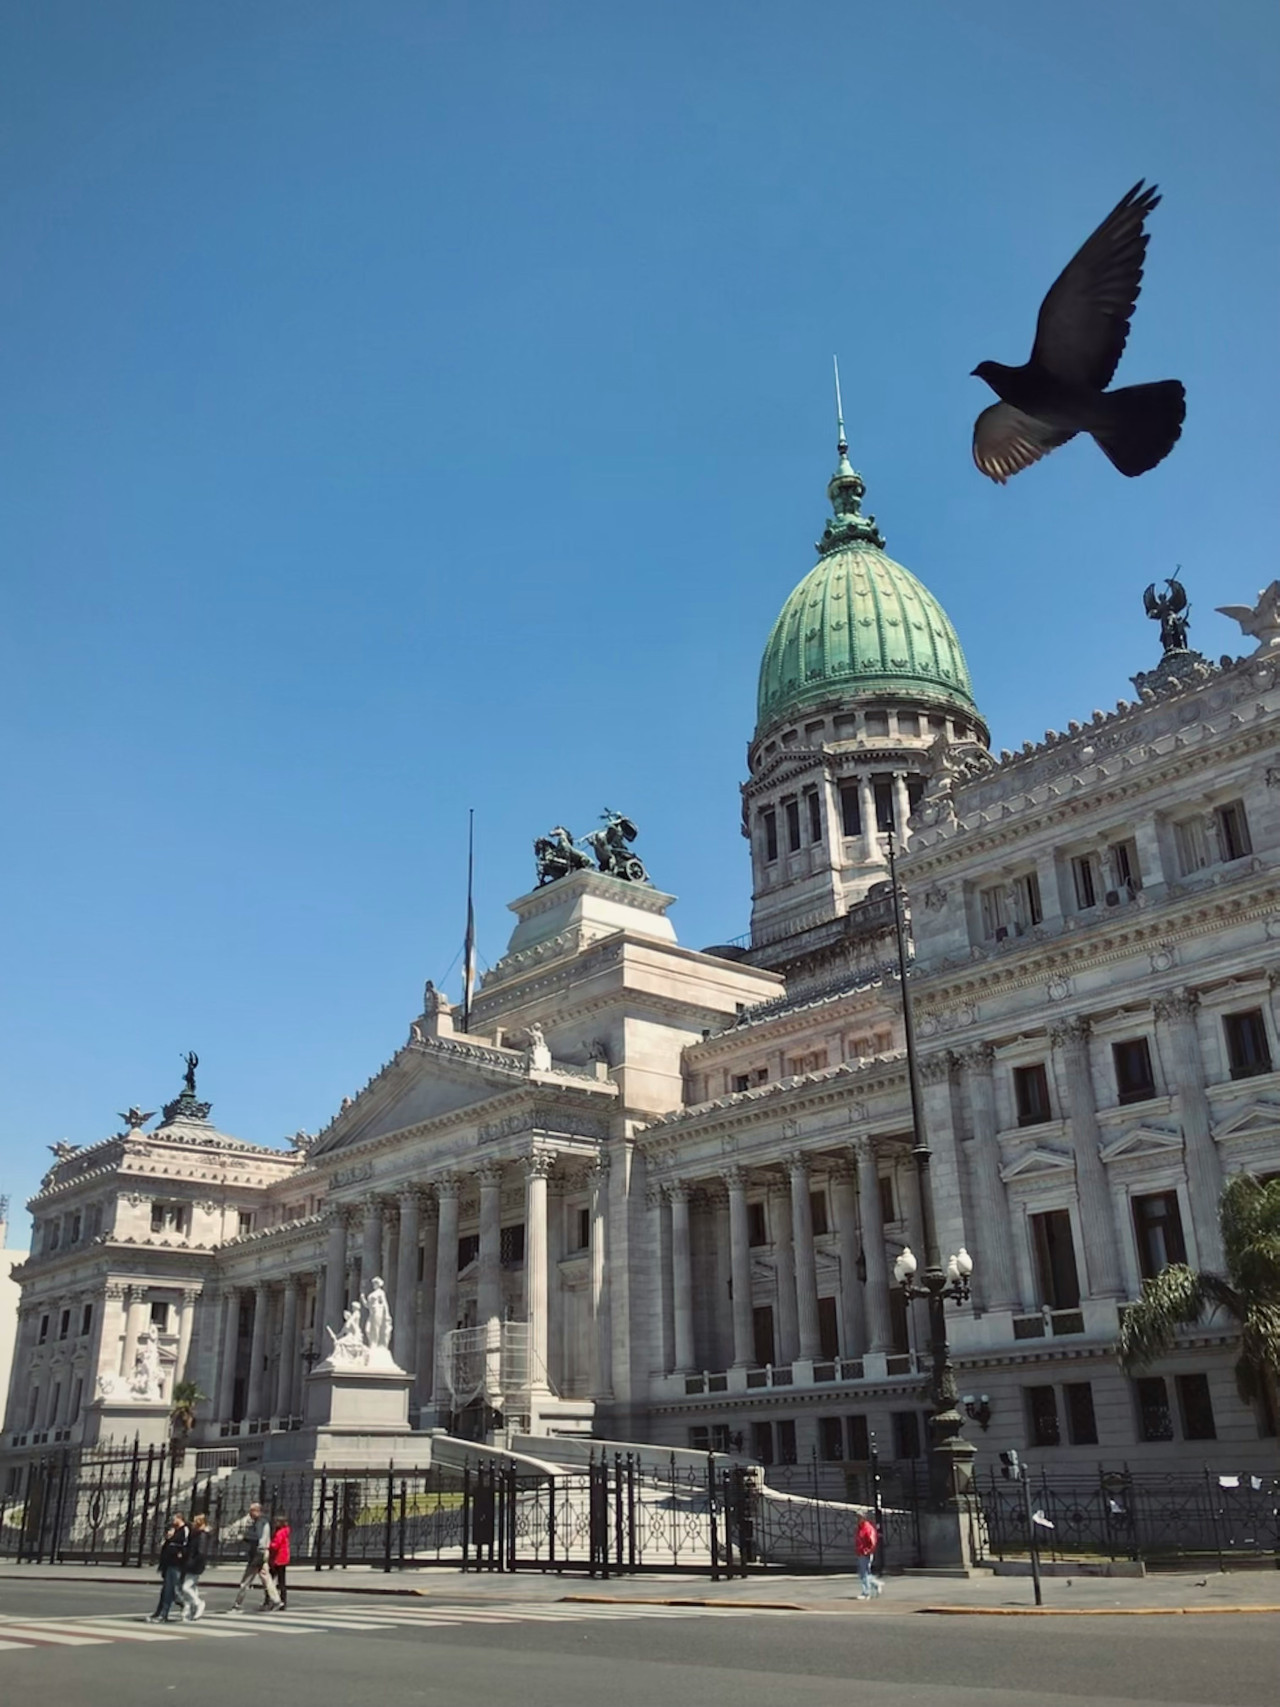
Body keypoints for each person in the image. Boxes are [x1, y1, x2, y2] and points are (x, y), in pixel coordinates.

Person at [227, 1502, 280, 1613]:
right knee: (266, 1578)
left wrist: (257, 1552)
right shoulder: (256, 1522)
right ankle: (276, 1600)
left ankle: (237, 1605)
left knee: (245, 1581)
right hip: (261, 1552)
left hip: (258, 1553)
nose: (250, 1513)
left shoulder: (261, 1523)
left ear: (257, 1511)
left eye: (252, 1511)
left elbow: (261, 1539)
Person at [149, 1513, 189, 1623]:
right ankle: (159, 1612)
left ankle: (181, 1606)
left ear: (180, 1519)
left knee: (170, 1590)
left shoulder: (184, 1530)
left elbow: (185, 1546)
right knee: (166, 1591)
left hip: (176, 1565)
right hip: (169, 1564)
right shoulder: (175, 1531)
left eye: (175, 1518)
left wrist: (180, 1554)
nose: (173, 1520)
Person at [177, 1513, 210, 1621]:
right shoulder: (196, 1534)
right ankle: (191, 1610)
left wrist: (191, 1562)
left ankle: (198, 1604)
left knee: (185, 1587)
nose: (193, 1524)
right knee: (193, 1588)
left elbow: (200, 1552)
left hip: (195, 1565)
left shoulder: (201, 1535)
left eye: (195, 1522)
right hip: (191, 1564)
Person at [855, 1513, 883, 1599]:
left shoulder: (867, 1528)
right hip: (861, 1552)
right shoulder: (860, 1528)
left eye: (859, 1518)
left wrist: (868, 1551)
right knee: (863, 1573)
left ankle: (866, 1593)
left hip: (865, 1553)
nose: (857, 1519)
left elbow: (872, 1542)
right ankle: (876, 1584)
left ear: (863, 1518)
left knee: (864, 1573)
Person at [267, 1512, 291, 1611]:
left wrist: (267, 1545)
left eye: (276, 1522)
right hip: (283, 1559)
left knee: (269, 1581)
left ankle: (270, 1600)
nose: (274, 1523)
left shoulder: (280, 1532)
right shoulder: (285, 1531)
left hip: (278, 1559)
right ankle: (283, 1600)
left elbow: (275, 1545)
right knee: (281, 1581)